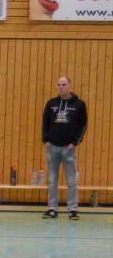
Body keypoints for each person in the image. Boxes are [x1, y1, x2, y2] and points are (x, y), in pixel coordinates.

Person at [42, 76, 88, 220]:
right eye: (59, 85)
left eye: (63, 84)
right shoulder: (51, 103)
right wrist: (45, 140)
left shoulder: (79, 104)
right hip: (52, 147)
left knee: (71, 181)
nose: (61, 87)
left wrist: (75, 143)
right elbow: (45, 123)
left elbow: (83, 125)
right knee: (52, 179)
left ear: (70, 86)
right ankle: (52, 209)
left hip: (69, 148)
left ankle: (73, 209)